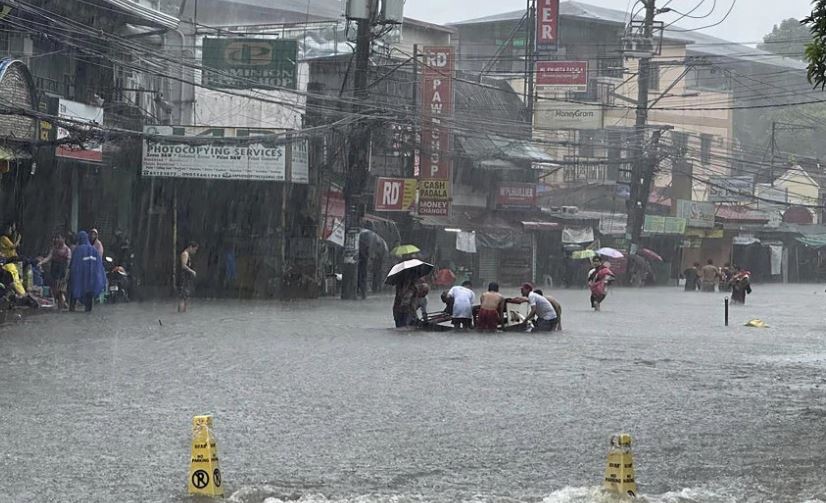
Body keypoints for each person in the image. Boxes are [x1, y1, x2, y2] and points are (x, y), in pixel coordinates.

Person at [68, 231, 106, 312]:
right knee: (89, 295)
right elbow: (99, 265)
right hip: (91, 278)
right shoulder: (94, 250)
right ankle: (88, 310)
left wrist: (71, 274)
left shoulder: (78, 250)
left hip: (80, 277)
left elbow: (74, 264)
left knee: (74, 291)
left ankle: (72, 308)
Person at [39, 235, 71, 310]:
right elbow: (49, 257)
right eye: (57, 238)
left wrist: (67, 273)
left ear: (63, 239)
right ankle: (62, 304)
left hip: (63, 272)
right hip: (54, 271)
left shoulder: (67, 250)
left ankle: (61, 307)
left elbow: (69, 262)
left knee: (60, 291)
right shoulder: (54, 249)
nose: (57, 240)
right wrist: (41, 262)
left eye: (59, 238)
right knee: (55, 290)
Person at [178, 241, 199, 313]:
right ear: (190, 247)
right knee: (183, 297)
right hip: (184, 278)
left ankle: (183, 312)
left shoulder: (187, 255)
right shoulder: (185, 254)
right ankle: (181, 312)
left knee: (186, 297)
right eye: (195, 249)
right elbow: (183, 266)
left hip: (186, 278)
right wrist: (192, 271)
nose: (195, 251)